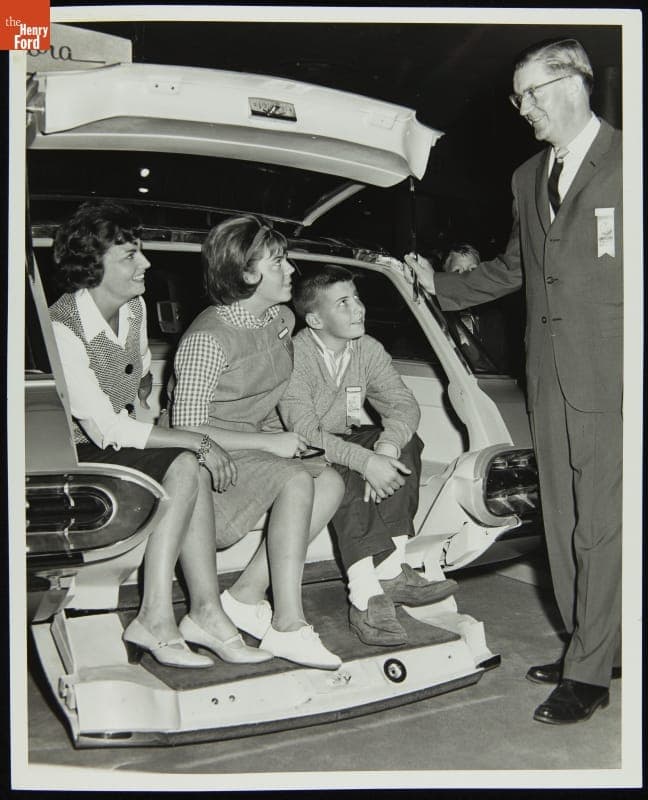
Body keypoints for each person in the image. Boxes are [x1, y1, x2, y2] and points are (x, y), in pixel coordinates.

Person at [405, 39, 622, 724]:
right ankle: (592, 643)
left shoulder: (631, 162)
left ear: (575, 83)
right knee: (558, 519)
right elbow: (516, 268)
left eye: (531, 92)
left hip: (614, 373)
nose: (522, 108)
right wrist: (433, 285)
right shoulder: (528, 176)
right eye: (517, 96)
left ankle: (588, 672)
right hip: (547, 374)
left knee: (602, 527)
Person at [50, 200, 272, 669]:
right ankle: (156, 616)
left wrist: (152, 409)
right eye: (130, 256)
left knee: (185, 462)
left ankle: (204, 613)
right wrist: (195, 439)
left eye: (141, 251)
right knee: (186, 456)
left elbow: (141, 378)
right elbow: (104, 429)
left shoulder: (133, 308)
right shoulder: (61, 327)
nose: (146, 262)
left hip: (122, 437)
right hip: (74, 452)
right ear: (92, 269)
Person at [169, 215, 345, 670]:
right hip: (207, 455)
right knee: (295, 482)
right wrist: (272, 446)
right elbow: (187, 427)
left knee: (331, 483)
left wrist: (296, 434)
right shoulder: (207, 340)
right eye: (279, 261)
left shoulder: (280, 318)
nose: (291, 269)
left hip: (254, 444)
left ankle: (247, 594)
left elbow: (272, 390)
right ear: (247, 274)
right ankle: (289, 623)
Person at [279, 265, 457, 646]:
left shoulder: (367, 348)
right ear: (314, 319)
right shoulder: (296, 354)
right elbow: (306, 432)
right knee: (346, 472)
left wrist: (386, 449)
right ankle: (364, 597)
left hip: (340, 438)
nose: (357, 308)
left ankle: (392, 570)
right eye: (343, 303)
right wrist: (366, 462)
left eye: (356, 298)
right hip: (296, 450)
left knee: (406, 444)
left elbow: (403, 404)